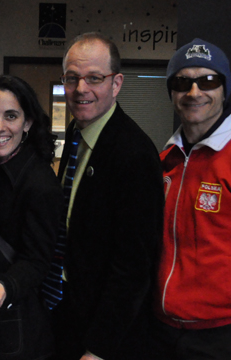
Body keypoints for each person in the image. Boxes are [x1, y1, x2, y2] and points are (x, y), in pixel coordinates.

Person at [150, 38, 231, 360]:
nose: (194, 93)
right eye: (182, 82)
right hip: (161, 332)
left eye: (208, 81)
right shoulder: (164, 160)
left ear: (225, 89)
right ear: (172, 92)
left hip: (224, 339)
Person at [45, 32, 164, 360]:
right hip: (66, 309)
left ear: (116, 83)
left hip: (106, 336)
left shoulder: (134, 154)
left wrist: (98, 349)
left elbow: (133, 267)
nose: (81, 89)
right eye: (72, 78)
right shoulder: (75, 133)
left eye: (94, 78)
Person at [0, 75, 63, 360]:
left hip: (13, 324)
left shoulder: (39, 182)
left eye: (11, 116)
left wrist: (5, 285)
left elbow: (37, 260)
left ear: (27, 123)